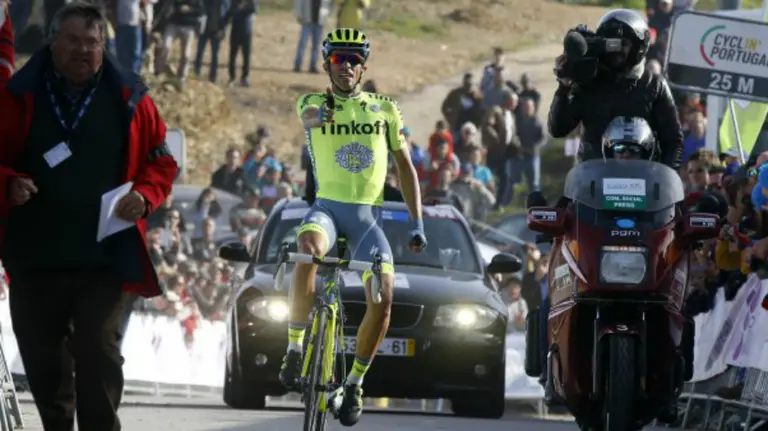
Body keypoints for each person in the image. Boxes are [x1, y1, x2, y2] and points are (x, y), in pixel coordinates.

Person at [0, 3, 177, 430]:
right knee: (43, 362)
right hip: (34, 258)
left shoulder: (130, 96)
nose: (84, 50)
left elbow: (162, 162)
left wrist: (145, 195)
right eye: (74, 41)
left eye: (93, 42)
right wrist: (7, 183)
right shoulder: (16, 96)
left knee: (97, 348)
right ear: (52, 42)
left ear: (104, 46)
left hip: (106, 259)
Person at [282, 28, 427, 427]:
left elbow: (405, 168)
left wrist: (417, 222)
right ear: (326, 64)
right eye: (337, 59)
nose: (346, 66)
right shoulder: (312, 102)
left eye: (354, 60)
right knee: (308, 247)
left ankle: (356, 382)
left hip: (367, 218)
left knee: (384, 294)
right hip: (327, 209)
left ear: (364, 67)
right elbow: (312, 117)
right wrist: (324, 113)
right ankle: (295, 347)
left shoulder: (384, 109)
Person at [548, 9, 683, 170]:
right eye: (609, 43)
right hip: (592, 183)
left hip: (643, 182)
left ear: (638, 47)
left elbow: (673, 140)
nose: (615, 50)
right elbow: (558, 129)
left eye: (622, 43)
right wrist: (563, 87)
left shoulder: (654, 85)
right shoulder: (590, 82)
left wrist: (665, 182)